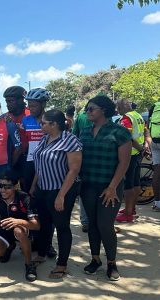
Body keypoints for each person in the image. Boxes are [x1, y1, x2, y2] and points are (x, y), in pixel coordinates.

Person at [79, 95, 131, 281]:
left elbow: (124, 162)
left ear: (103, 110)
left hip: (111, 186)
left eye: (91, 108)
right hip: (88, 186)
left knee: (105, 225)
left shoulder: (120, 132)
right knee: (91, 224)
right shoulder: (84, 131)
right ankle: (95, 259)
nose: (88, 112)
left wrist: (112, 187)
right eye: (87, 109)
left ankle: (111, 263)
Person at [30, 109, 82, 278]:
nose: (41, 125)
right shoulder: (45, 139)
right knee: (45, 224)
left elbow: (74, 170)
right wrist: (33, 186)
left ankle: (62, 264)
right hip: (43, 189)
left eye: (44, 122)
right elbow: (40, 164)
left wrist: (61, 195)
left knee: (62, 226)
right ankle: (42, 253)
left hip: (61, 190)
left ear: (54, 125)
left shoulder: (70, 140)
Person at [0, 171, 39, 282]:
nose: (3, 190)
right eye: (0, 186)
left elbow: (36, 225)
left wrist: (18, 221)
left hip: (21, 229)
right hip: (3, 228)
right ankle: (10, 246)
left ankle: (29, 264)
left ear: (15, 186)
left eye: (7, 187)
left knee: (19, 231)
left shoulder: (25, 198)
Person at [22, 88, 57, 258]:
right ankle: (34, 238)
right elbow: (23, 144)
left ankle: (48, 243)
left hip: (49, 165)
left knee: (48, 209)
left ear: (43, 104)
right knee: (32, 205)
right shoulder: (25, 120)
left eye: (34, 105)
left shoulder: (51, 119)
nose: (31, 107)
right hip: (30, 165)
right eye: (29, 104)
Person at [115, 99, 147, 223]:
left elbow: (126, 136)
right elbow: (144, 131)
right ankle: (132, 209)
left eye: (118, 107)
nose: (117, 110)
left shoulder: (126, 118)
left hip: (130, 153)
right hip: (138, 153)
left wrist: (139, 148)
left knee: (128, 184)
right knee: (136, 182)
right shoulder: (138, 115)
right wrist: (143, 148)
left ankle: (128, 213)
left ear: (124, 106)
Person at [0, 86, 30, 184]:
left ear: (21, 100)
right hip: (10, 159)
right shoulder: (4, 117)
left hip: (28, 159)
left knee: (27, 187)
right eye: (6, 101)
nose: (8, 105)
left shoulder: (30, 115)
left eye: (11, 101)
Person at [72, 108, 93, 232]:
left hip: (83, 157)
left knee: (84, 192)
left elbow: (75, 135)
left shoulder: (80, 116)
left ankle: (85, 221)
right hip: (90, 160)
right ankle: (90, 221)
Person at [145, 100, 160, 212]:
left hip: (154, 141)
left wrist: (149, 142)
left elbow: (148, 125)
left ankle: (157, 204)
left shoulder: (154, 106)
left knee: (157, 172)